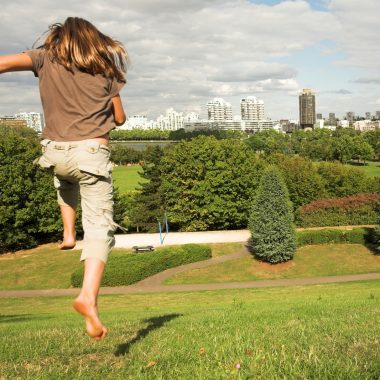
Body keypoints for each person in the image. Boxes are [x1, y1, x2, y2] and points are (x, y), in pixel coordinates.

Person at [0, 17, 128, 340]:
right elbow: (121, 118)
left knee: (65, 178)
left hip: (54, 152)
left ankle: (69, 233)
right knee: (100, 228)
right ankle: (88, 297)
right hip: (91, 153)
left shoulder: (44, 57)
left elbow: (2, 64)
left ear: (59, 39)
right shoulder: (106, 70)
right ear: (93, 41)